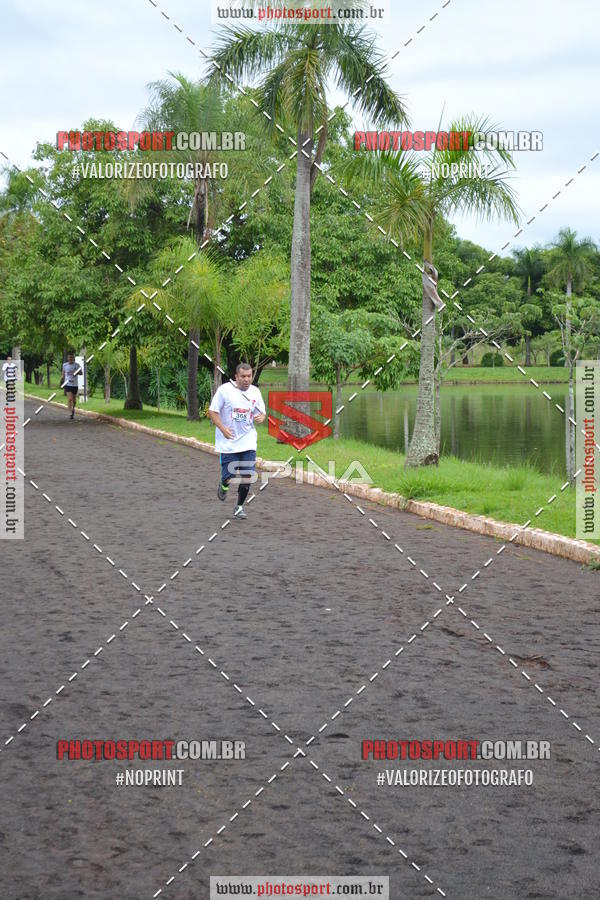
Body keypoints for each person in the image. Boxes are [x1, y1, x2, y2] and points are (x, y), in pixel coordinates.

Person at [207, 362, 266, 519]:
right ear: (236, 377)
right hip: (229, 442)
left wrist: (261, 417)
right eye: (243, 377)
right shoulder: (225, 391)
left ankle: (239, 507)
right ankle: (224, 484)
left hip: (248, 442)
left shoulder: (255, 392)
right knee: (229, 476)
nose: (246, 379)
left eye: (249, 376)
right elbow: (212, 412)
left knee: (248, 476)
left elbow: (261, 413)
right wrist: (223, 428)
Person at [61, 352, 80, 420]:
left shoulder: (77, 365)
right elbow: (63, 374)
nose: (70, 359)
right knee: (70, 399)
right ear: (67, 358)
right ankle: (70, 413)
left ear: (74, 358)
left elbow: (81, 373)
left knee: (74, 401)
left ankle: (73, 409)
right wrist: (61, 380)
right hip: (67, 384)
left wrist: (76, 372)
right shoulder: (65, 365)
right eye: (69, 357)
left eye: (72, 357)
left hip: (75, 385)